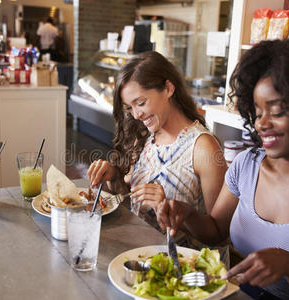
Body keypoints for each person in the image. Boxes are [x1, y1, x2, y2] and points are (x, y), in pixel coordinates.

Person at [156, 34, 289, 300]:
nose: (261, 123)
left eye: (276, 111)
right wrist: (187, 213)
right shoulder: (247, 165)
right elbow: (215, 232)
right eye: (258, 112)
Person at [87, 51, 227, 246]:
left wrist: (173, 209)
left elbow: (217, 234)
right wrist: (114, 177)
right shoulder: (144, 135)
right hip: (139, 251)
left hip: (181, 267)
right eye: (130, 108)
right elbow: (134, 205)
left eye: (141, 103)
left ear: (168, 88)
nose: (136, 115)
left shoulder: (203, 147)